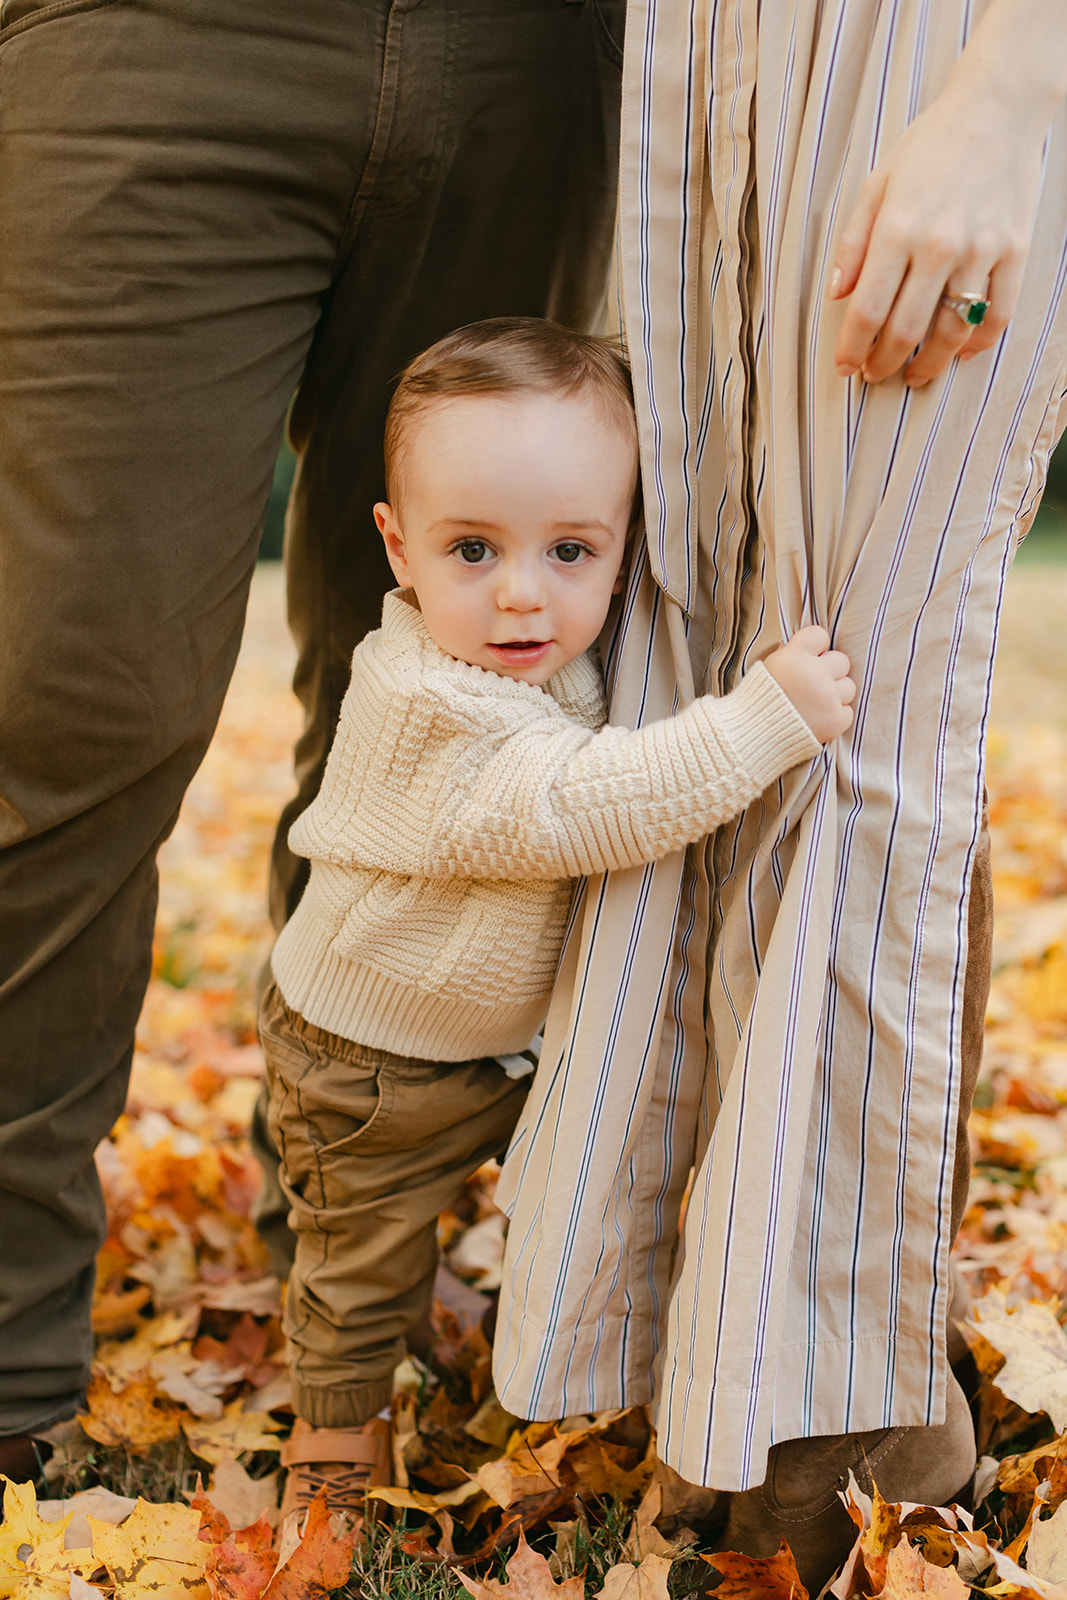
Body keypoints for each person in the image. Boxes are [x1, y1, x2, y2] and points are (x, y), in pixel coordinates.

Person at [0, 0, 627, 1479]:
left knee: (453, 692)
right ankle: (7, 1337)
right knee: (65, 695)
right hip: (151, 36)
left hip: (532, 54)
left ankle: (352, 1262)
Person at [492, 2, 1067, 1591]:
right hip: (697, 52)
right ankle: (737, 1346)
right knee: (716, 655)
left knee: (861, 682)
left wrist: (1011, 85)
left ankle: (840, 1405)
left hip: (926, 42)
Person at [258, 317, 856, 1517]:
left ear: (624, 543)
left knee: (580, 1178)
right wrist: (763, 720)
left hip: (497, 1034)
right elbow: (582, 805)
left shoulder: (544, 650)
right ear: (398, 547)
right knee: (357, 1255)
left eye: (571, 548)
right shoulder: (426, 704)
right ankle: (334, 1426)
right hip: (366, 1063)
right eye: (471, 548)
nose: (523, 593)